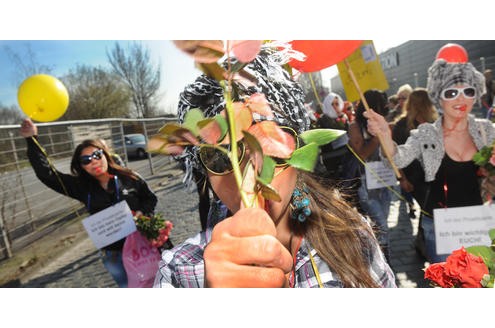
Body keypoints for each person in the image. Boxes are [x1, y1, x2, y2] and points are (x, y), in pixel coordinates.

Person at [154, 49, 395, 288]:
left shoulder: (354, 236)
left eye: (271, 148)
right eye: (220, 158)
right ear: (204, 171)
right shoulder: (178, 274)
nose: (250, 179)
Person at [365, 44, 494, 263]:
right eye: (451, 92)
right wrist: (386, 135)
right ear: (438, 96)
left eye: (468, 91)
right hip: (441, 229)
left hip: (479, 225)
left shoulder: (487, 130)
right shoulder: (427, 134)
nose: (460, 99)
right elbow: (398, 159)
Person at [20, 119, 158, 287]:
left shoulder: (130, 177)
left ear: (105, 155)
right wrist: (31, 140)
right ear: (81, 166)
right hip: (114, 253)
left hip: (144, 244)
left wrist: (141, 213)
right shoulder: (81, 188)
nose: (93, 161)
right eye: (86, 160)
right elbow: (47, 174)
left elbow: (150, 198)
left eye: (97, 155)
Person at [391, 88, 439, 259]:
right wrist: (402, 178)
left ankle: (423, 238)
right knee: (427, 207)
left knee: (430, 208)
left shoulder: (435, 121)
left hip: (434, 174)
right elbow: (394, 155)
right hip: (414, 176)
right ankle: (423, 239)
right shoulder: (402, 124)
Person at [347, 89, 393, 263]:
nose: (386, 106)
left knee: (379, 227)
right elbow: (361, 155)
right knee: (382, 228)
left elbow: (392, 156)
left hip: (386, 182)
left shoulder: (384, 124)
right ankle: (386, 265)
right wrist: (375, 139)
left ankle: (371, 260)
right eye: (382, 103)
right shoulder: (355, 127)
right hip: (367, 185)